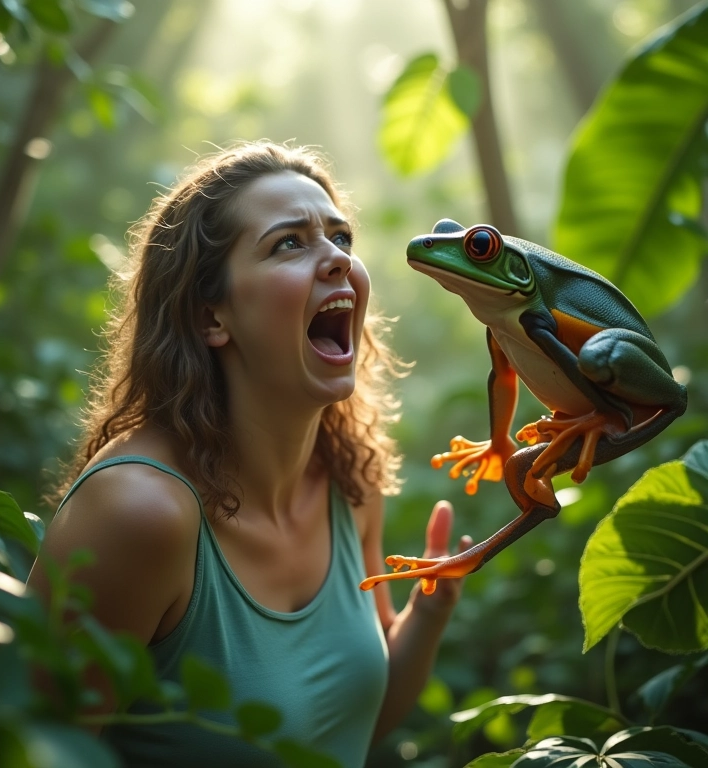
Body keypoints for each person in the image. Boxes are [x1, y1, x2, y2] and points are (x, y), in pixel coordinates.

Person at [27, 140, 472, 768]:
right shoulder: (139, 513)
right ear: (213, 315)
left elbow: (347, 727)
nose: (337, 260)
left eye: (340, 238)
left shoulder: (350, 481)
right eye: (289, 243)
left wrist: (426, 616)